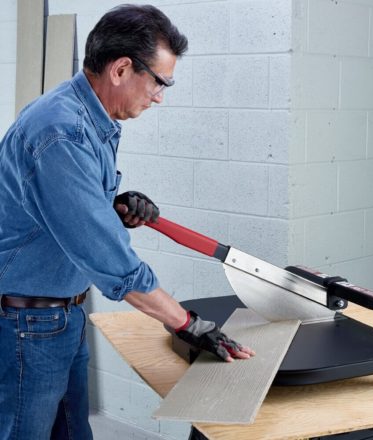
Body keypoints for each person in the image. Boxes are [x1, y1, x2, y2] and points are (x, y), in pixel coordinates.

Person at [0, 4, 254, 439]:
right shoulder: (61, 131)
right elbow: (109, 259)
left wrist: (112, 206)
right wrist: (187, 323)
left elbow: (60, 215)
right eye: (159, 82)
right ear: (121, 69)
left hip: (62, 316)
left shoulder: (87, 119)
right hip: (30, 328)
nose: (159, 96)